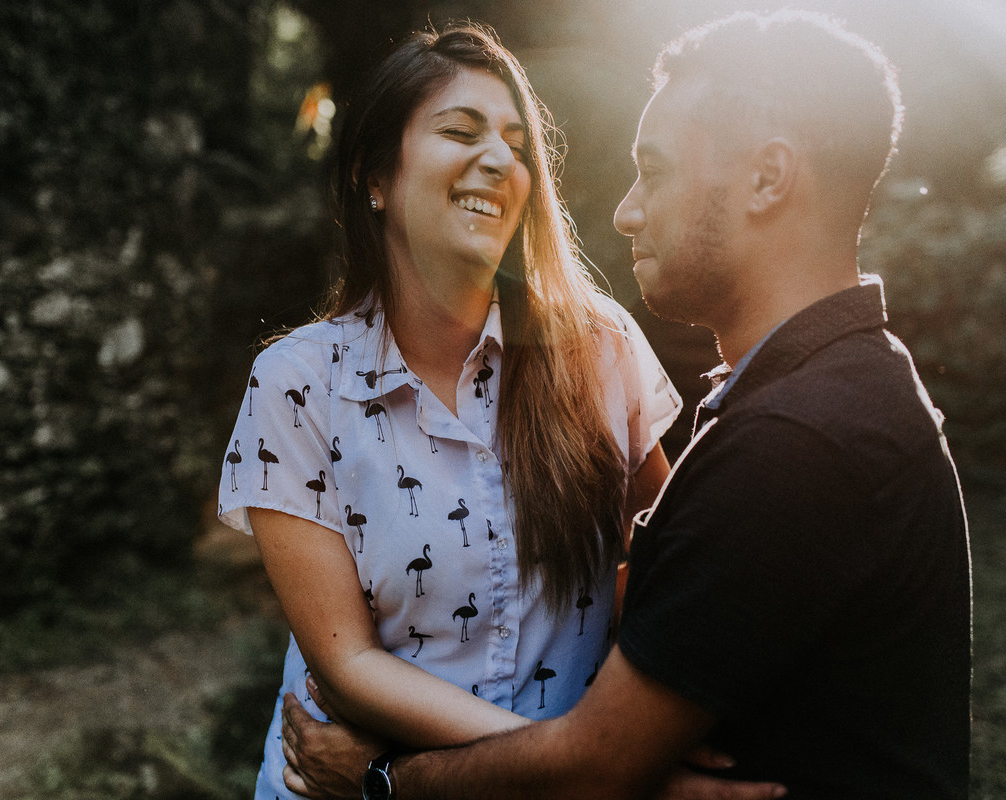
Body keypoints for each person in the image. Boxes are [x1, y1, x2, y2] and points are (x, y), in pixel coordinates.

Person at [280, 10, 972, 799]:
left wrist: (380, 781)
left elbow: (596, 767)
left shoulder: (795, 437)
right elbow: (669, 608)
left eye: (656, 170)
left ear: (767, 179)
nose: (626, 211)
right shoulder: (821, 391)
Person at [216, 19, 792, 800]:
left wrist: (630, 740)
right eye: (461, 131)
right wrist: (589, 765)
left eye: (517, 145)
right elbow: (347, 664)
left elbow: (666, 570)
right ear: (373, 175)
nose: (498, 158)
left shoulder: (597, 348)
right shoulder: (298, 383)